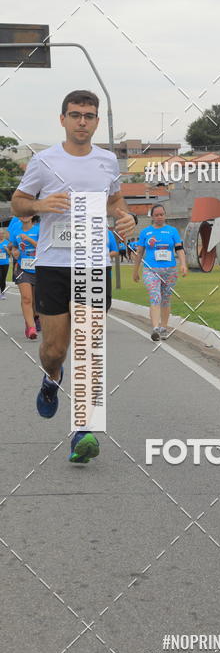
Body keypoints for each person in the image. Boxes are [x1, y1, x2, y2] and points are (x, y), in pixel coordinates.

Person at [11, 89, 135, 464]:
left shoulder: (108, 161)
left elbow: (115, 201)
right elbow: (18, 202)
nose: (83, 121)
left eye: (89, 115)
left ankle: (84, 429)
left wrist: (124, 217)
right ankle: (52, 378)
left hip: (93, 262)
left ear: (97, 121)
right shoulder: (44, 161)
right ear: (62, 119)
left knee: (88, 347)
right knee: (55, 351)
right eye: (76, 114)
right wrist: (37, 204)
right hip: (52, 265)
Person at [133, 203, 187, 340]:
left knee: (166, 299)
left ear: (165, 215)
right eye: (156, 215)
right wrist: (135, 270)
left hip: (170, 270)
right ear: (152, 216)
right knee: (155, 295)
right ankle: (155, 328)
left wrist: (183, 264)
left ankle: (163, 327)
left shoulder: (172, 231)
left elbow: (179, 249)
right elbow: (139, 252)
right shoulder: (146, 232)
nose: (159, 217)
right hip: (151, 270)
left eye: (161, 214)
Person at [10, 214, 40, 338]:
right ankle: (32, 328)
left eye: (27, 213)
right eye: (22, 214)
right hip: (23, 269)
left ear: (32, 215)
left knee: (35, 301)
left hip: (39, 268)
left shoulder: (38, 229)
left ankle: (31, 319)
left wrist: (28, 239)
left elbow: (43, 248)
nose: (25, 216)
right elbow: (14, 248)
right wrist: (14, 252)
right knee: (26, 298)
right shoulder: (16, 231)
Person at [0, 229, 10, 298]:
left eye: (2, 234)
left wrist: (7, 249)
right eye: (0, 234)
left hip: (5, 263)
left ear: (4, 234)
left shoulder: (7, 243)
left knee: (3, 278)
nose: (1, 235)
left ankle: (2, 293)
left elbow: (10, 254)